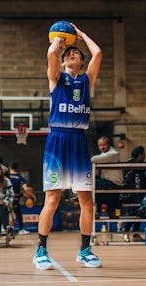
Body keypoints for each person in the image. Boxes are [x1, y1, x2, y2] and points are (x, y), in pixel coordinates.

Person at [33, 23, 102, 270]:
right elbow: (51, 54)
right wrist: (59, 41)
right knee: (52, 198)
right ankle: (40, 249)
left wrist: (82, 35)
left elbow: (99, 53)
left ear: (81, 63)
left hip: (79, 142)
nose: (74, 55)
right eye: (69, 55)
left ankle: (85, 250)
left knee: (87, 200)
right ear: (63, 63)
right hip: (58, 141)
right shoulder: (56, 78)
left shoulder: (86, 81)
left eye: (77, 54)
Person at [121, 146, 146, 242]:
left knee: (140, 212)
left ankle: (136, 234)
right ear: (140, 155)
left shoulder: (142, 166)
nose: (145, 156)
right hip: (130, 194)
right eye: (143, 154)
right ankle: (126, 232)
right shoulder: (130, 164)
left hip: (140, 193)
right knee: (131, 214)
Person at [91, 136, 122, 218]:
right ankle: (95, 211)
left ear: (109, 145)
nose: (102, 147)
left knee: (92, 183)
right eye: (100, 145)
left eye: (104, 145)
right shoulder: (103, 155)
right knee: (92, 182)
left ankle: (95, 210)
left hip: (114, 183)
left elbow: (93, 159)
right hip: (105, 182)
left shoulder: (114, 154)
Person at [9, 161, 36, 235]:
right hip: (15, 199)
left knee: (9, 213)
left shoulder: (6, 176)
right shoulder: (19, 177)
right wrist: (32, 195)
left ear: (10, 167)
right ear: (17, 168)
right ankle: (20, 229)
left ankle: (6, 229)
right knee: (17, 214)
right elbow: (26, 189)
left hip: (7, 198)